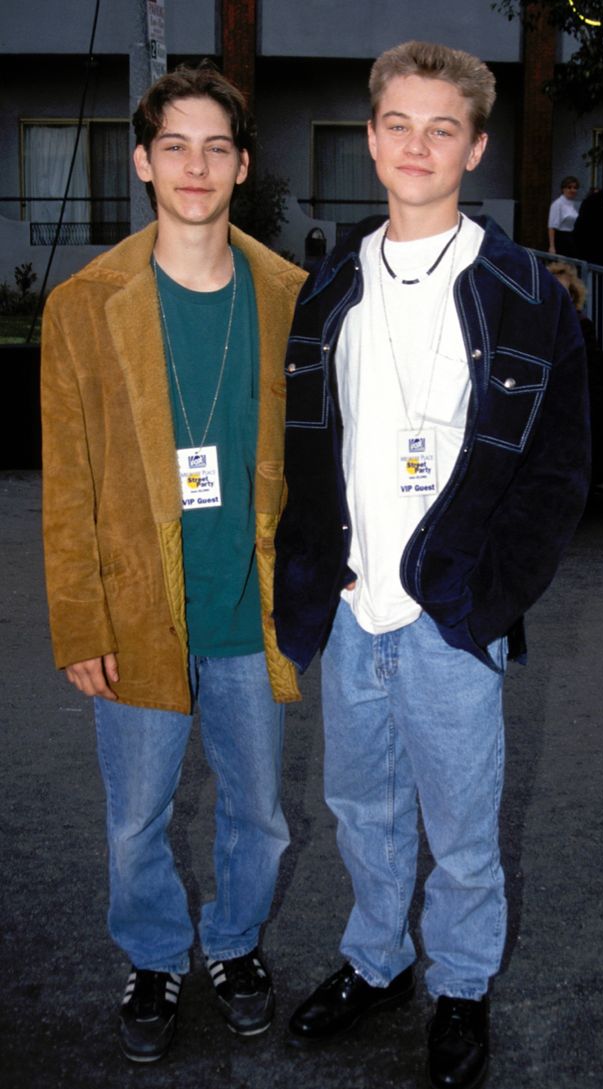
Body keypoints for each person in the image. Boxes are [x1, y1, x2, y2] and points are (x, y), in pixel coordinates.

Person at [273, 40, 590, 1089]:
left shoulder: (523, 296)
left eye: (440, 127)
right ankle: (376, 965)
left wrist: (485, 598)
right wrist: (314, 583)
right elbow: (305, 452)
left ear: (475, 148)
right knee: (362, 813)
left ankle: (459, 986)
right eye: (397, 124)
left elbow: (556, 473)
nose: (417, 145)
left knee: (461, 831)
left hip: (452, 614)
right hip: (355, 610)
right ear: (370, 141)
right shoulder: (327, 291)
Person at [41, 64, 306, 1063]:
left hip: (250, 611)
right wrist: (79, 623)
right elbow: (67, 483)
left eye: (217, 148)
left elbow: (314, 456)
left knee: (259, 816)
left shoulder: (285, 294)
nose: (196, 167)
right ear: (145, 162)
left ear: (241, 165)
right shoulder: (87, 302)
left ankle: (232, 945)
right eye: (175, 147)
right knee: (134, 823)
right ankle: (153, 955)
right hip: (138, 611)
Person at [547, 174, 580, 256]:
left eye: (575, 188)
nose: (572, 190)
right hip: (561, 240)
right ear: (563, 189)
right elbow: (552, 227)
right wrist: (552, 246)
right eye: (569, 187)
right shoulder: (558, 204)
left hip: (571, 239)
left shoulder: (573, 204)